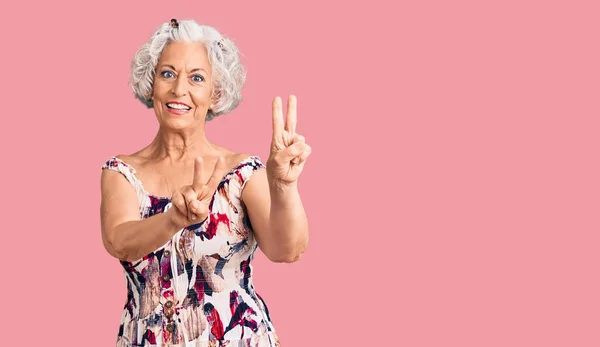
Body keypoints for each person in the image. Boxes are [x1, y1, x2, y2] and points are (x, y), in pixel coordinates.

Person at [100, 18, 311, 347]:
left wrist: (283, 186)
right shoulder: (122, 171)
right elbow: (119, 241)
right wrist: (173, 220)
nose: (178, 89)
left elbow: (288, 250)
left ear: (215, 94)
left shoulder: (241, 171)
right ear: (151, 83)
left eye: (196, 78)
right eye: (167, 73)